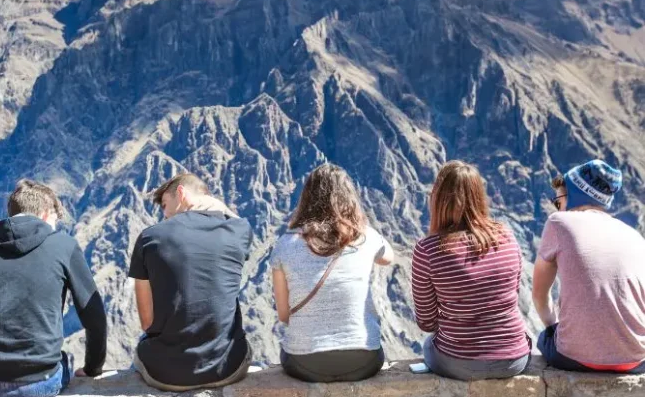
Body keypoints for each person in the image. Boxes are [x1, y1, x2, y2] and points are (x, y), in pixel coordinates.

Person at [0, 179, 108, 397]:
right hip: (37, 382)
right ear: (44, 213)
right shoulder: (64, 245)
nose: (55, 226)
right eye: (55, 219)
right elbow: (95, 317)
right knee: (63, 361)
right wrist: (92, 368)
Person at [128, 173, 252, 391]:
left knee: (141, 346)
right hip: (228, 367)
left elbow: (147, 323)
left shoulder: (150, 237)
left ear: (181, 193)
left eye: (165, 205)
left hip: (165, 375)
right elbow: (234, 219)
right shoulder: (240, 230)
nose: (165, 216)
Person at [270, 164, 394, 383]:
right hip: (364, 360)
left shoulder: (285, 245)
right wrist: (360, 226)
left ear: (306, 199)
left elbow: (283, 315)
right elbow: (388, 257)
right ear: (350, 198)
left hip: (303, 362)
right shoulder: (366, 237)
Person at [411, 161, 531, 381]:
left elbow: (426, 322)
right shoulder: (507, 236)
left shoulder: (428, 250)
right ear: (479, 196)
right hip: (515, 359)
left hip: (461, 362)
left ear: (438, 199)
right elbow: (514, 296)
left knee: (429, 344)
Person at [533, 160, 645, 374]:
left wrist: (553, 328)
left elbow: (539, 296)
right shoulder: (635, 236)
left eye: (558, 201)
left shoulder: (559, 223)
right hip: (636, 361)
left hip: (578, 358)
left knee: (544, 338)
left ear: (573, 195)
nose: (558, 207)